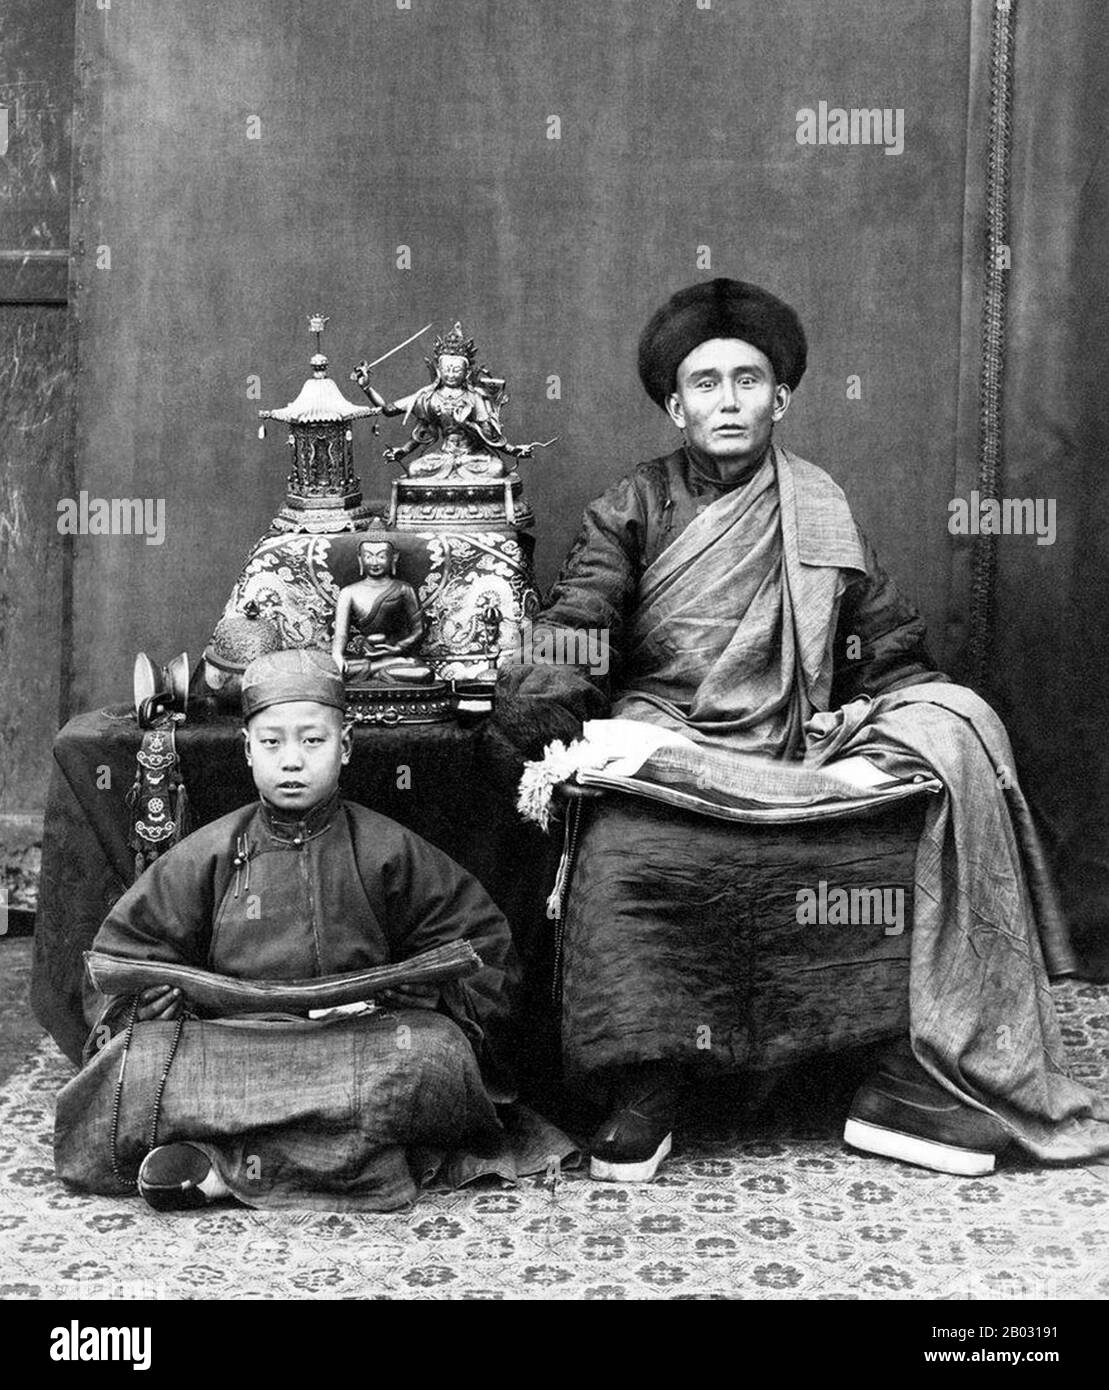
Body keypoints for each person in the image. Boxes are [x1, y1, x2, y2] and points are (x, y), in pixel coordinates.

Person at [490, 277, 1109, 1182]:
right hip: (667, 742)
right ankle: (647, 1081)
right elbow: (584, 617)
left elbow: (884, 646)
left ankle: (898, 1075)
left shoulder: (819, 506)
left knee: (923, 790)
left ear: (781, 398)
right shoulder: (632, 506)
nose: (728, 400)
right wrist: (545, 686)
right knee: (630, 847)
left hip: (795, 747)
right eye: (705, 384)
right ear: (674, 404)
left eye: (748, 380)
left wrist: (920, 717)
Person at [55, 648, 573, 1211]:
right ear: (248, 750)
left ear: (344, 747)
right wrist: (148, 1004)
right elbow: (119, 956)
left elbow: (485, 948)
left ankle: (218, 1162)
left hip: (362, 1043)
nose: (292, 761)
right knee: (134, 1066)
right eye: (272, 743)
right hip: (234, 1045)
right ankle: (356, 1158)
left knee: (430, 1058)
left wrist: (439, 996)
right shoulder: (207, 854)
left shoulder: (387, 849)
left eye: (313, 740)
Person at [330, 539, 432, 683]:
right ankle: (380, 671)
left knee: (425, 672)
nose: (374, 562)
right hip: (365, 657)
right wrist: (337, 655)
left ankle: (375, 672)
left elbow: (418, 630)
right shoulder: (348, 592)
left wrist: (397, 648)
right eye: (368, 556)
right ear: (360, 558)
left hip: (397, 657)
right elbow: (340, 634)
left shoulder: (404, 589)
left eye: (381, 556)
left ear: (394, 557)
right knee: (330, 669)